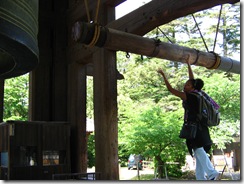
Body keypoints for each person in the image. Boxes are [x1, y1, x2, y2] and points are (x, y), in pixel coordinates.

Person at [157, 60, 221, 180]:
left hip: (194, 128)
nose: (185, 85)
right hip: (202, 128)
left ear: (192, 87)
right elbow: (193, 80)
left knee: (197, 149)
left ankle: (212, 173)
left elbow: (171, 90)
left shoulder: (190, 96)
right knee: (198, 153)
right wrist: (188, 65)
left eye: (188, 85)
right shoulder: (199, 94)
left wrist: (163, 75)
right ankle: (201, 178)